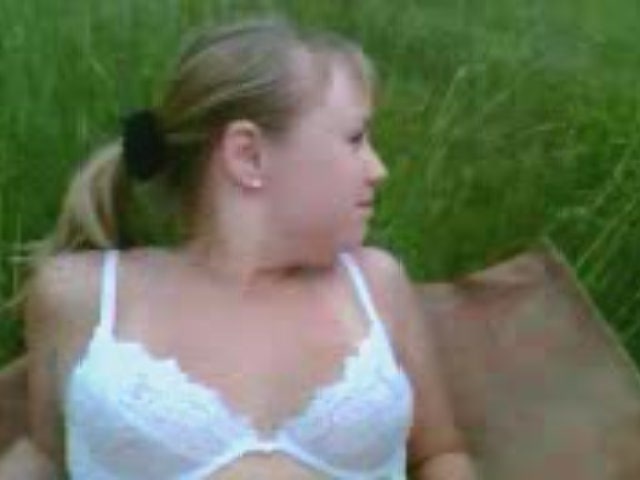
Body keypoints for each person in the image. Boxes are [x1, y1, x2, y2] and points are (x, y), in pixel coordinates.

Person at [10, 16, 479, 479]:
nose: (378, 169)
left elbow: (441, 453)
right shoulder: (84, 297)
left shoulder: (375, 286)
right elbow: (45, 455)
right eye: (355, 139)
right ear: (247, 155)